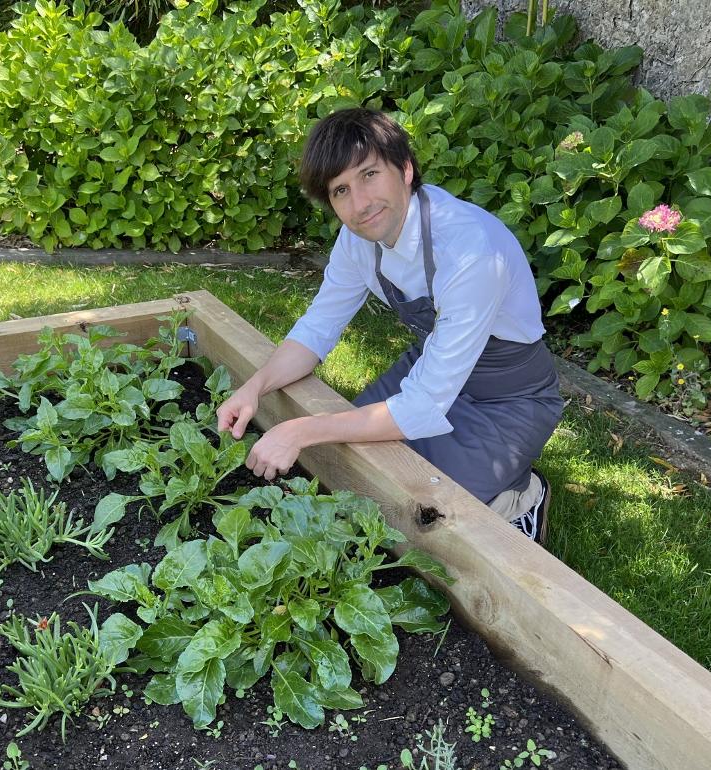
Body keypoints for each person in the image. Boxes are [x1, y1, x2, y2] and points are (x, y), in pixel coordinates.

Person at [215, 108, 563, 543]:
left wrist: (300, 429)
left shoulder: (471, 250)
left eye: (369, 175)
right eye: (341, 189)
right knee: (351, 466)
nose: (360, 204)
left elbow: (420, 407)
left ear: (405, 168)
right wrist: (255, 386)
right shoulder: (357, 241)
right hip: (433, 364)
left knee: (426, 515)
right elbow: (317, 328)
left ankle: (521, 498)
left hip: (508, 397)